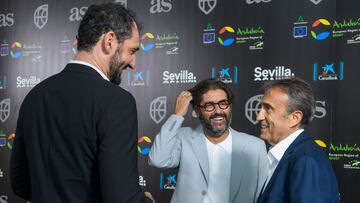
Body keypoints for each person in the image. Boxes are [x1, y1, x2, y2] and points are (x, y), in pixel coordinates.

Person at [10, 3, 153, 203]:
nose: (133, 63)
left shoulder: (35, 96)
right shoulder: (117, 101)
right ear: (109, 41)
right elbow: (122, 199)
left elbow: (20, 183)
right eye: (132, 51)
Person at [148, 79, 268, 203]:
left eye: (223, 103)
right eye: (209, 105)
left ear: (230, 106)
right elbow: (158, 160)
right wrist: (177, 115)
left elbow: (264, 194)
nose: (218, 111)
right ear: (198, 110)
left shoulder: (254, 146)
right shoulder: (183, 137)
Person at [256, 78, 340, 203]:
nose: (259, 116)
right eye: (261, 108)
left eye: (268, 109)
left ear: (294, 118)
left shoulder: (306, 160)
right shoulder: (293, 155)